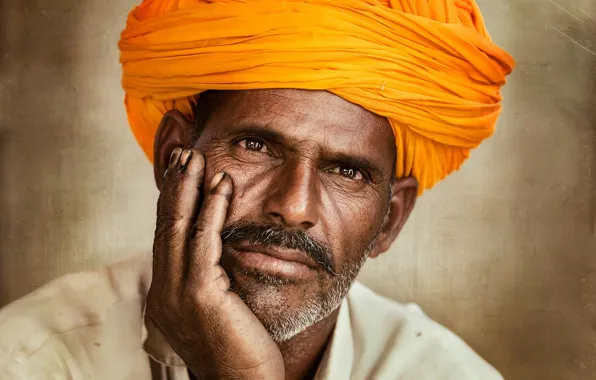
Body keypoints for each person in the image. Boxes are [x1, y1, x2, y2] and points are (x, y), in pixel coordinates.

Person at [0, 0, 514, 379]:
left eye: (347, 172)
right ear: (172, 156)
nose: (292, 207)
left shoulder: (443, 373)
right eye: (255, 146)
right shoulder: (29, 359)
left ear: (391, 218)